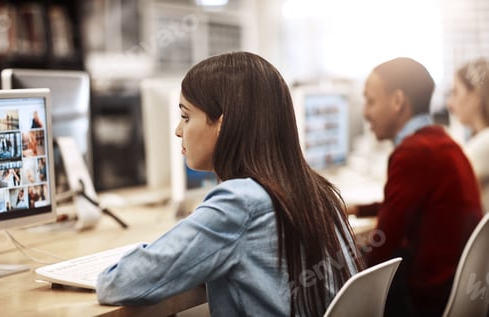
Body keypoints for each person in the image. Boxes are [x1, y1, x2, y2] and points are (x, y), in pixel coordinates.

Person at [96, 51, 364, 316]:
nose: (178, 130)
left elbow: (117, 283)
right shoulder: (319, 191)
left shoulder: (240, 202)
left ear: (222, 125)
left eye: (186, 117)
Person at [348, 57, 483, 317]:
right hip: (455, 289)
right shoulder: (441, 142)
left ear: (398, 102)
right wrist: (358, 209)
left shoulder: (413, 153)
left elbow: (382, 248)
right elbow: (411, 205)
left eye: (371, 101)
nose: (365, 113)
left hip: (426, 299)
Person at [447, 58, 489, 213]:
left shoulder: (486, 142)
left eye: (455, 92)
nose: (450, 103)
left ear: (476, 95)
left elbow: (446, 185)